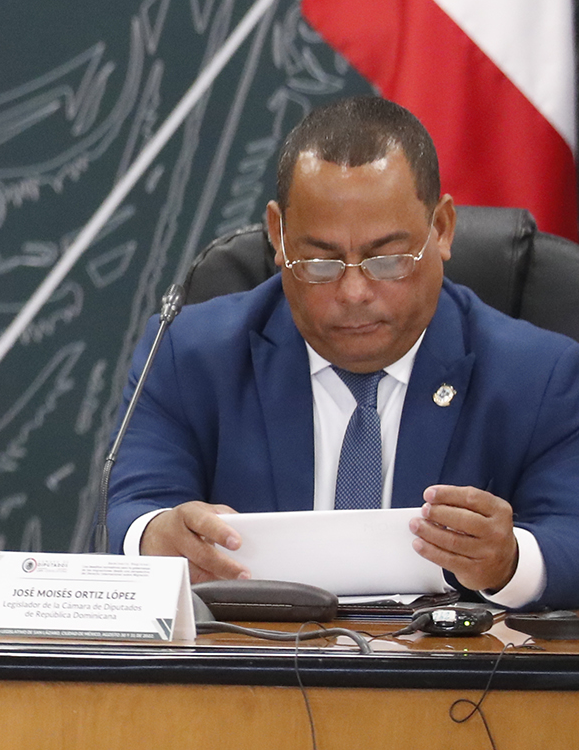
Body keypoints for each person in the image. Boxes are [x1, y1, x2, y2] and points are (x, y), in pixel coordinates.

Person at [107, 96, 579, 607]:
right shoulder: (191, 354)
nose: (354, 292)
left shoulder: (540, 375)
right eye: (321, 263)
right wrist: (157, 536)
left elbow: (571, 536)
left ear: (442, 228)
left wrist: (509, 561)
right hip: (254, 656)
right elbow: (131, 509)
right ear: (278, 235)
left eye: (387, 260)